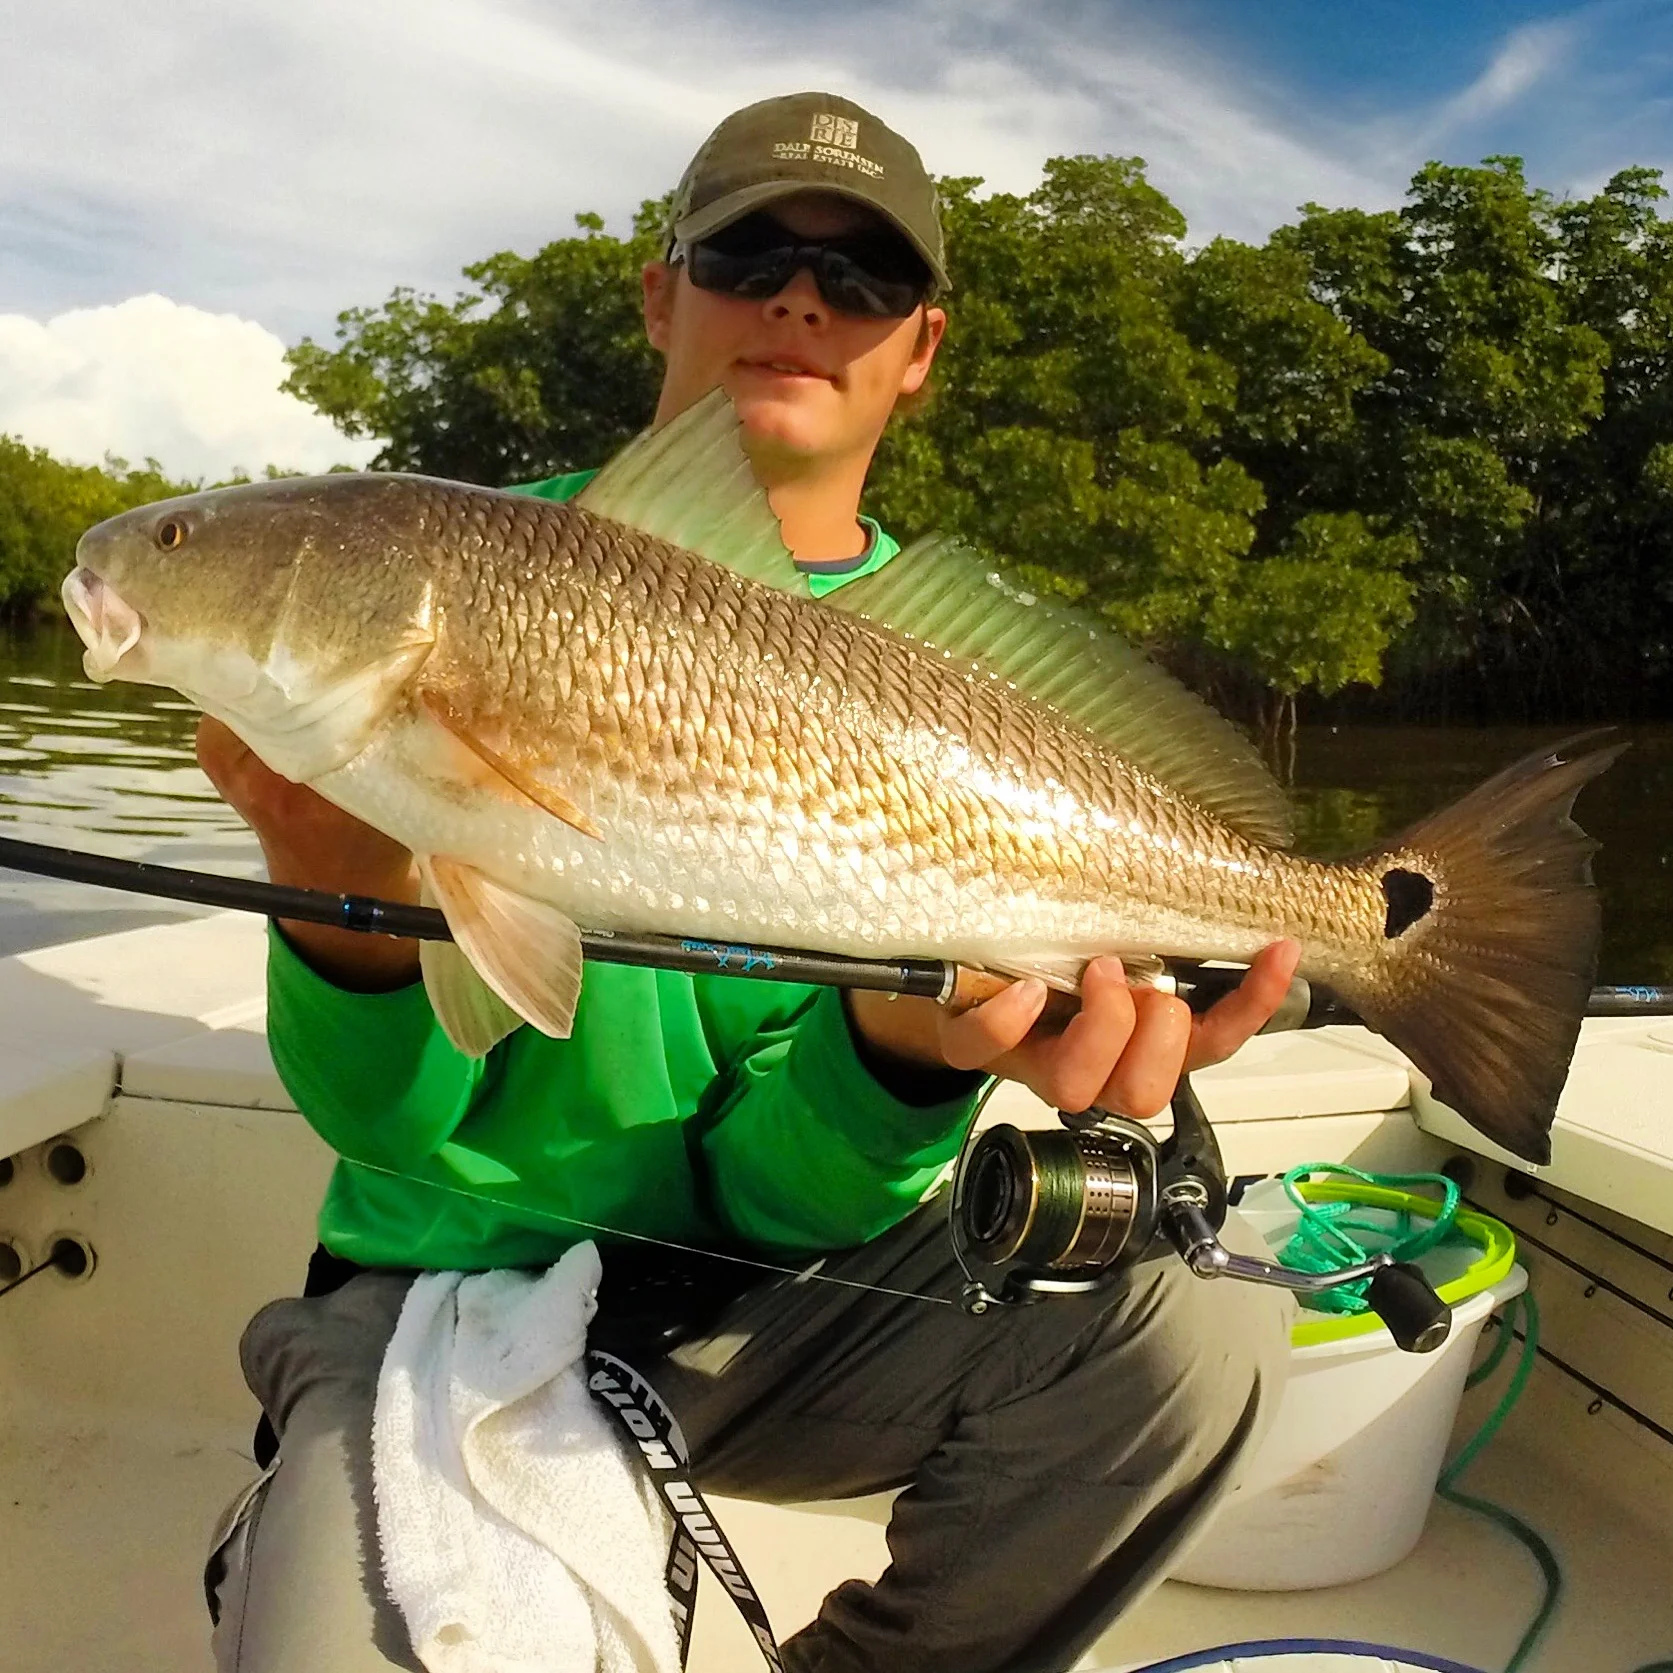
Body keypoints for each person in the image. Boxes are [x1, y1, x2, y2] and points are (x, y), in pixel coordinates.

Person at [197, 91, 1298, 1673]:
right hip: (438, 1278)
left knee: (1191, 1346)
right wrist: (332, 904)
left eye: (858, 281)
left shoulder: (953, 683)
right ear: (662, 293)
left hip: (780, 1303)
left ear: (919, 347)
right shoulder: (433, 573)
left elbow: (783, 1197)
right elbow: (385, 1132)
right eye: (748, 252)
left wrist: (907, 1049)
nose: (799, 298)